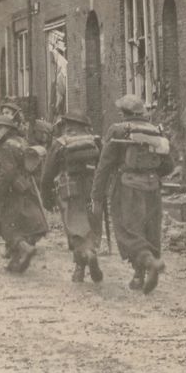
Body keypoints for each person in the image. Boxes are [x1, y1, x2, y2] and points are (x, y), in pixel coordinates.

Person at [91, 96, 174, 293]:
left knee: (128, 231)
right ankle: (139, 276)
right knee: (149, 230)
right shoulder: (155, 131)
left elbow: (104, 166)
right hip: (152, 188)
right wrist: (151, 174)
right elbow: (168, 165)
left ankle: (149, 262)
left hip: (126, 188)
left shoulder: (118, 130)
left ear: (124, 113)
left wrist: (97, 195)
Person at [0, 114, 48, 273]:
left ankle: (24, 249)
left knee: (6, 227)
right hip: (26, 189)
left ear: (9, 129)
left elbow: (7, 174)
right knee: (25, 224)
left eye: (0, 128)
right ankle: (16, 261)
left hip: (10, 192)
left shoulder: (5, 147)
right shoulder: (21, 142)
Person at [41, 113, 104, 283]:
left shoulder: (60, 143)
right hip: (92, 188)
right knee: (90, 224)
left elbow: (47, 174)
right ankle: (85, 261)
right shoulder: (95, 140)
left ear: (67, 124)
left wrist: (46, 197)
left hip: (69, 189)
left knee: (75, 227)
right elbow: (103, 166)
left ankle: (83, 262)